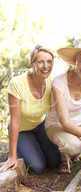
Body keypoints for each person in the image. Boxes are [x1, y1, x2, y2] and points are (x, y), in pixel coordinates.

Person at [0, 46, 61, 174]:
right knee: (38, 167)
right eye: (40, 62)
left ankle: (34, 145)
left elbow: (56, 113)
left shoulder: (51, 82)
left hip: (40, 126)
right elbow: (15, 121)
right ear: (32, 63)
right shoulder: (17, 84)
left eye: (49, 61)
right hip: (21, 130)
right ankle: (18, 148)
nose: (46, 66)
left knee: (55, 162)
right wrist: (12, 156)